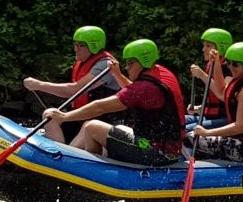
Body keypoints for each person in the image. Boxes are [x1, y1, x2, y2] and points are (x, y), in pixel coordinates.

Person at [44, 39, 185, 166]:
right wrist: (117, 75)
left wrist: (64, 117)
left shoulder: (144, 87)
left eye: (130, 63)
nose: (127, 67)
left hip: (154, 152)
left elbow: (100, 107)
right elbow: (135, 93)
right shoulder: (162, 73)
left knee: (91, 127)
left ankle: (91, 171)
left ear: (144, 62)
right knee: (120, 128)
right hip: (168, 149)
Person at [22, 25, 124, 143]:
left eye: (81, 45)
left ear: (94, 46)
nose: (76, 49)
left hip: (100, 121)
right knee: (49, 116)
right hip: (80, 117)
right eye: (75, 44)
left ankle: (66, 155)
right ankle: (58, 151)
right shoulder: (84, 62)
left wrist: (38, 85)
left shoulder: (105, 65)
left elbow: (75, 90)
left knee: (87, 125)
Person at [186, 42, 243, 162]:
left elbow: (240, 127)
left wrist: (207, 132)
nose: (231, 67)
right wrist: (216, 62)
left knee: (190, 138)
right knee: (192, 137)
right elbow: (221, 92)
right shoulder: (241, 79)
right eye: (229, 63)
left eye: (235, 64)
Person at [186, 27, 232, 131]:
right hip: (212, 116)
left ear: (220, 47)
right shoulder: (211, 64)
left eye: (208, 46)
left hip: (225, 119)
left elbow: (224, 96)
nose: (203, 49)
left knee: (186, 130)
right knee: (177, 121)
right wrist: (199, 108)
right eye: (204, 46)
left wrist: (202, 75)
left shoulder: (230, 68)